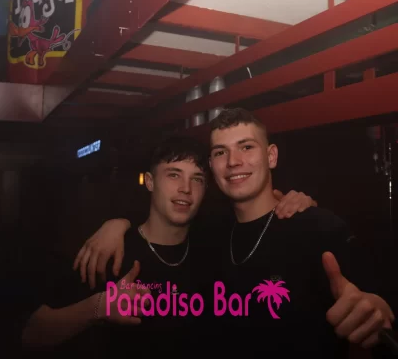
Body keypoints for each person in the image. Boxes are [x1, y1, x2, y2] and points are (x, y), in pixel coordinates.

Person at [75, 108, 395, 357]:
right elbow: (164, 218)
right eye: (220, 152)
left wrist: (378, 311)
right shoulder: (211, 233)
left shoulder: (319, 228)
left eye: (246, 147)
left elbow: (374, 303)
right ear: (213, 167)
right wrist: (118, 223)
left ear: (271, 156)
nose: (233, 161)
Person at [19, 135, 314, 354]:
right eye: (173, 175)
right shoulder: (109, 253)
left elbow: (269, 211)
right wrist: (98, 307)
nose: (185, 189)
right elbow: (33, 333)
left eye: (197, 179)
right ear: (150, 182)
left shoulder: (216, 244)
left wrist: (302, 205)